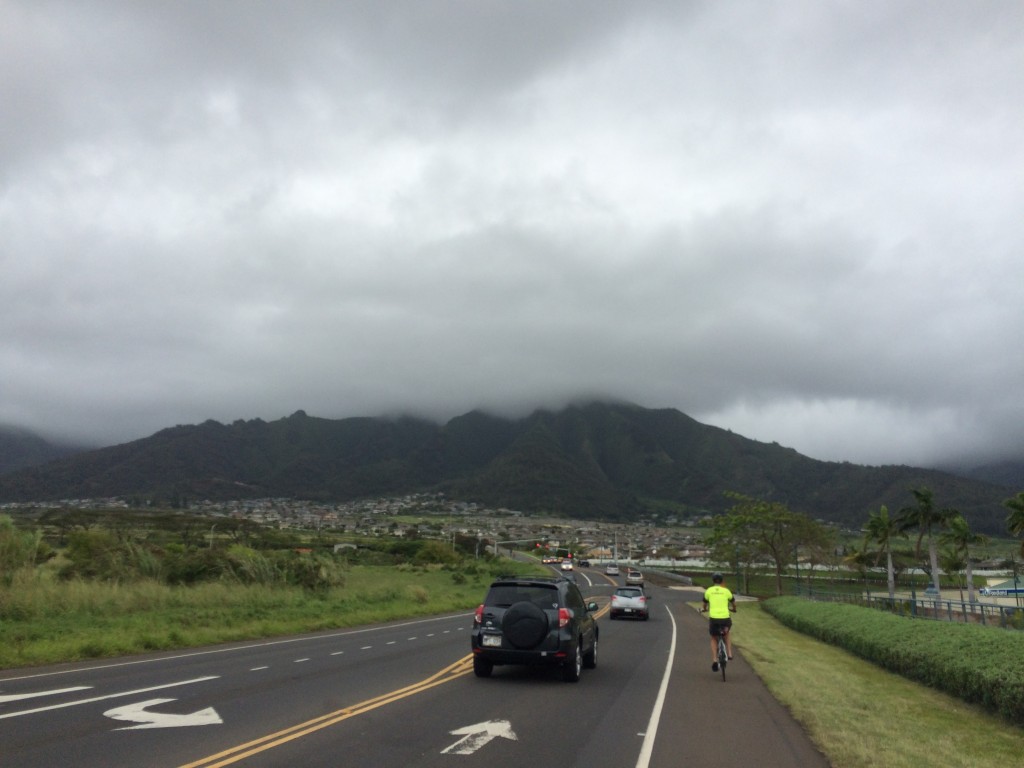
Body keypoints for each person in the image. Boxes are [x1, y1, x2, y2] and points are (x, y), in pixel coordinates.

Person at [702, 572, 736, 671]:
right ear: (722, 581)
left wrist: (705, 609)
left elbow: (704, 604)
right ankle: (729, 653)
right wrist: (734, 609)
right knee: (727, 633)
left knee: (713, 637)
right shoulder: (726, 591)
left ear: (713, 581)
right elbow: (733, 603)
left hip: (714, 619)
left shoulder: (709, 591)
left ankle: (714, 660)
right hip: (725, 618)